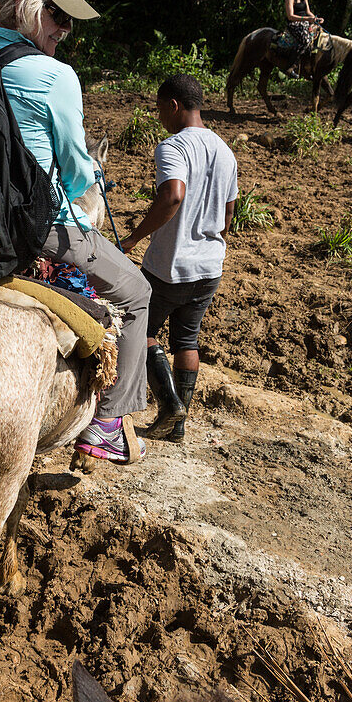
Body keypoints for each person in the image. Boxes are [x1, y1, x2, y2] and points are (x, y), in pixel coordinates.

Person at [0, 0, 151, 464]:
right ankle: (105, 425)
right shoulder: (54, 77)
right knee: (139, 292)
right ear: (30, 8)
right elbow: (77, 174)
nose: (65, 30)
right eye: (59, 16)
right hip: (41, 229)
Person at [121, 74, 238, 442]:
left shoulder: (173, 147)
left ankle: (170, 406)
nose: (159, 118)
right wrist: (214, 240)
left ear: (174, 106)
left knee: (141, 332)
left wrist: (133, 238)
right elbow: (230, 211)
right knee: (187, 340)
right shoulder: (225, 150)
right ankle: (179, 427)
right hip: (209, 266)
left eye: (160, 110)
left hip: (170, 266)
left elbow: (173, 195)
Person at [284, 0, 323, 71]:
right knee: (305, 40)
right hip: (294, 24)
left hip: (306, 22)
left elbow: (308, 11)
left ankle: (311, 64)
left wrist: (315, 18)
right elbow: (290, 16)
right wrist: (307, 19)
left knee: (319, 36)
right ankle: (291, 65)